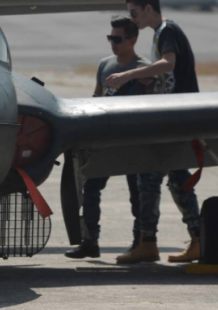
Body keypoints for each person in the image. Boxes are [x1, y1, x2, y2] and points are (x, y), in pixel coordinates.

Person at [106, 0, 202, 264]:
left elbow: (168, 64)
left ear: (148, 8)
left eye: (134, 12)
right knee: (178, 179)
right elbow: (166, 72)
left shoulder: (167, 30)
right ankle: (197, 239)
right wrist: (149, 81)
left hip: (175, 117)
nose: (132, 18)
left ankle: (148, 242)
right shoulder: (161, 33)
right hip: (175, 116)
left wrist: (129, 74)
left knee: (149, 178)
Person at [65, 16, 152, 259]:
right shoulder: (105, 65)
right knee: (90, 189)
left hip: (133, 143)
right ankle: (90, 241)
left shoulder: (145, 68)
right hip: (104, 141)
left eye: (118, 39)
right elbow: (95, 98)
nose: (113, 43)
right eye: (110, 38)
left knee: (138, 195)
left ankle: (139, 242)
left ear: (133, 40)